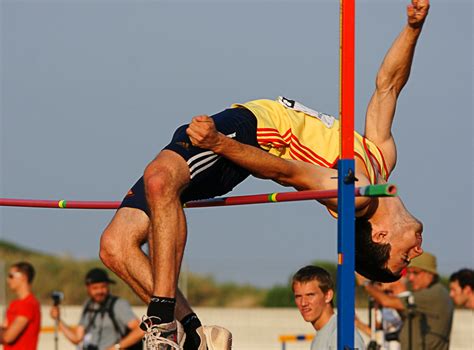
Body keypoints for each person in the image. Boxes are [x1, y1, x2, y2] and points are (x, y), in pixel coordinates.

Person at [99, 0, 428, 347]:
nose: (417, 252)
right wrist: (413, 28)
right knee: (115, 245)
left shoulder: (354, 194)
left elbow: (288, 173)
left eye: (404, 256)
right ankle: (197, 337)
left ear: (380, 237)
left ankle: (164, 324)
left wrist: (218, 143)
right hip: (244, 138)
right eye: (408, 258)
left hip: (251, 134)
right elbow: (387, 86)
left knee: (160, 179)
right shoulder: (380, 160)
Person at [358, 252, 454, 350]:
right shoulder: (434, 293)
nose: (411, 278)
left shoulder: (433, 294)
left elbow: (387, 302)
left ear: (429, 274)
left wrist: (366, 283)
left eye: (415, 273)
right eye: (409, 273)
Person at [50, 268, 144, 350]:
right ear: (88, 288)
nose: (99, 291)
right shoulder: (88, 305)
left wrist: (116, 347)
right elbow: (77, 338)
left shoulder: (118, 304)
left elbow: (141, 330)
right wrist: (58, 320)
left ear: (108, 286)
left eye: (103, 287)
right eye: (95, 288)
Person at [292, 265, 365, 349]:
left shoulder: (339, 334)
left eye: (310, 295)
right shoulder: (320, 337)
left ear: (328, 295)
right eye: (298, 296)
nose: (303, 303)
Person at [355, 277, 408, 350]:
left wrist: (366, 284)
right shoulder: (385, 306)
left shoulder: (405, 298)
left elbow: (386, 301)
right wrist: (358, 323)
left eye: (380, 283)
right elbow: (378, 333)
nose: (378, 286)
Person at [0, 261, 41, 350]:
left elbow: (8, 337)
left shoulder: (29, 304)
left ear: (23, 277)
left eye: (11, 276)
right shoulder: (13, 304)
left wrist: (4, 332)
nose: (8, 280)